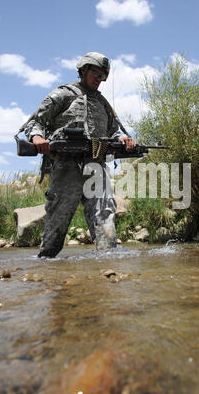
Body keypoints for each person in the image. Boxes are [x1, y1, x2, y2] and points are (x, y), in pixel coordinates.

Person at [23, 52, 136, 258]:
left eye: (103, 77)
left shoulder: (103, 104)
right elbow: (35, 122)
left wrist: (122, 139)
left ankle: (109, 268)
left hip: (96, 168)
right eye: (95, 73)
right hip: (67, 170)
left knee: (105, 218)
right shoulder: (64, 94)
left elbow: (113, 131)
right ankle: (44, 269)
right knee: (57, 223)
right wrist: (37, 138)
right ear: (83, 70)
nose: (98, 80)